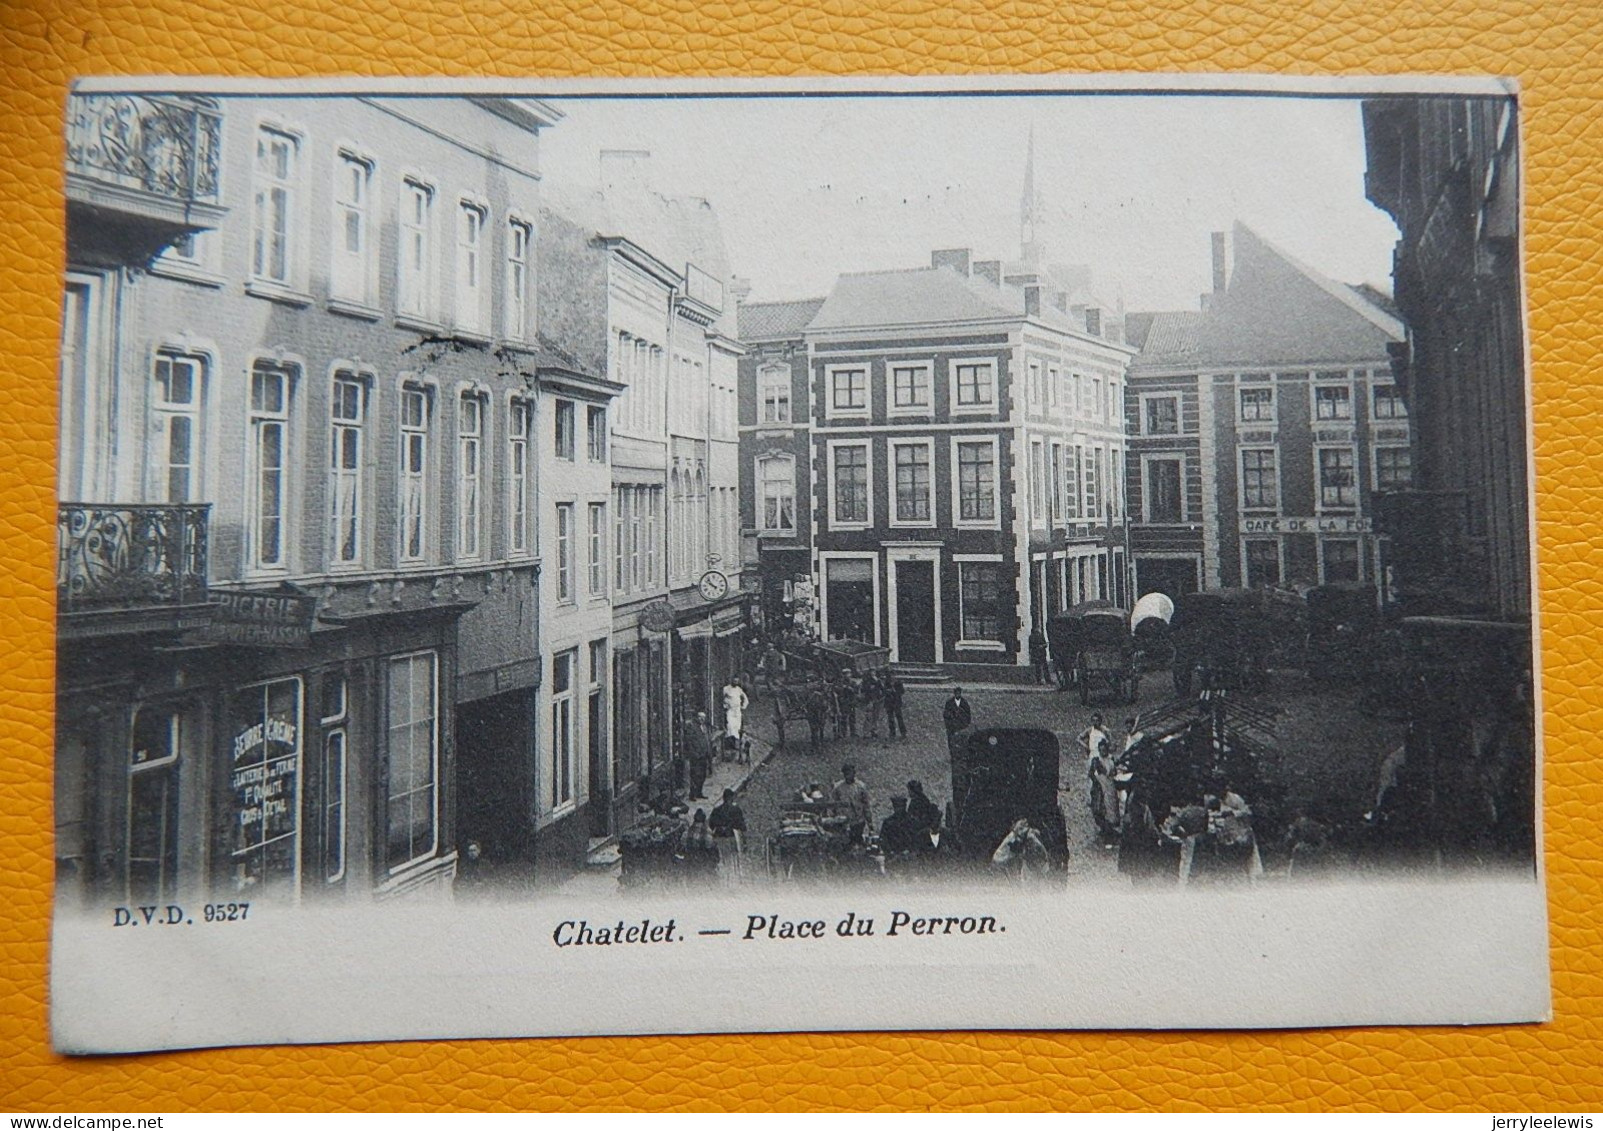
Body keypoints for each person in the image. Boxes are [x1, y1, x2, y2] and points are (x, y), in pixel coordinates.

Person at [991, 817, 1053, 882]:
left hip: (1003, 860)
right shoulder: (1014, 835)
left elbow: (1038, 844)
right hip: (1002, 860)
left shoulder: (1017, 835)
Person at [709, 788, 747, 886]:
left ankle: (723, 881)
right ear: (731, 798)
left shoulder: (716, 810)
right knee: (733, 858)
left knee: (722, 859)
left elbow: (711, 824)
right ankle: (733, 881)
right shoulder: (736, 810)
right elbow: (742, 826)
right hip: (731, 837)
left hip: (719, 838)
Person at [831, 761, 871, 844]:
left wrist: (869, 822)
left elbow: (866, 805)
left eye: (849, 772)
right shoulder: (838, 787)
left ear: (854, 773)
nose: (847, 774)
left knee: (857, 841)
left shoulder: (860, 787)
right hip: (843, 821)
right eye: (845, 772)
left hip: (857, 820)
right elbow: (833, 804)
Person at [680, 808, 719, 883]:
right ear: (704, 820)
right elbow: (712, 850)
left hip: (690, 865)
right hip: (703, 865)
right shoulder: (707, 834)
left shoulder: (686, 833)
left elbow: (682, 845)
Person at [879, 796, 921, 860]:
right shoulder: (888, 822)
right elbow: (883, 839)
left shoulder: (911, 822)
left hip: (908, 855)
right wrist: (890, 852)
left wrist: (910, 851)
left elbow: (916, 839)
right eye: (897, 807)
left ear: (904, 806)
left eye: (900, 807)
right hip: (892, 855)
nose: (899, 809)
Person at [684, 710, 713, 801]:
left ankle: (699, 792)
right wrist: (694, 753)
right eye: (700, 717)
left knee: (702, 775)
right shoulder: (692, 727)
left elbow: (707, 740)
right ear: (697, 717)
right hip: (696, 756)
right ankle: (692, 795)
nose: (702, 719)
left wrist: (709, 754)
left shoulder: (704, 727)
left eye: (703, 718)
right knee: (695, 775)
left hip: (704, 755)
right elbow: (689, 742)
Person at [722, 677, 749, 757]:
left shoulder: (739, 689)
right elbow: (722, 699)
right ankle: (730, 744)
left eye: (737, 681)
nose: (735, 682)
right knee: (730, 726)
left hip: (737, 711)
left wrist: (743, 706)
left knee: (737, 727)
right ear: (731, 681)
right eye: (734, 681)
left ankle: (736, 744)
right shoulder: (726, 689)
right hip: (730, 711)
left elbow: (745, 699)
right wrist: (725, 706)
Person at [943, 687, 973, 753]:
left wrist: (965, 724)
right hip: (952, 727)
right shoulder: (949, 703)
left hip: (961, 726)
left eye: (959, 693)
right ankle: (952, 753)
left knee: (961, 741)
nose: (957, 694)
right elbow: (946, 714)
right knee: (951, 741)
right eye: (956, 693)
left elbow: (968, 715)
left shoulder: (964, 703)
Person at [883, 672, 908, 738]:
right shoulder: (886, 683)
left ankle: (903, 732)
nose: (892, 678)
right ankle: (892, 732)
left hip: (896, 702)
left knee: (899, 717)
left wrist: (895, 691)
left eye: (893, 676)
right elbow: (883, 691)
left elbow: (902, 691)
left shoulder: (898, 683)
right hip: (889, 702)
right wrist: (888, 691)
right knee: (890, 718)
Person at [862, 670, 884, 738]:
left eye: (874, 672)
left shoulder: (878, 680)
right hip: (869, 700)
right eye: (871, 672)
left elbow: (883, 689)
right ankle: (866, 732)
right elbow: (864, 689)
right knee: (869, 717)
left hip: (876, 700)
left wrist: (880, 697)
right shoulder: (866, 681)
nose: (873, 673)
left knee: (876, 716)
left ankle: (874, 731)